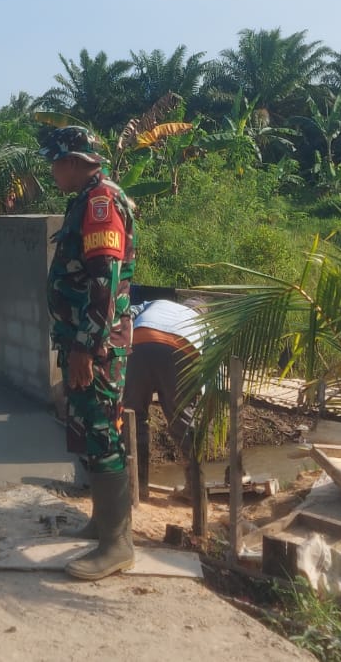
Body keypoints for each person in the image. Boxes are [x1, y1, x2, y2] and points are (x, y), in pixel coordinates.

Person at [41, 125, 138, 581]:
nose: (52, 170)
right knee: (90, 428)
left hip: (96, 345)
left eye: (55, 162)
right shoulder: (85, 200)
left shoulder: (100, 204)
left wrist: (85, 346)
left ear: (75, 161)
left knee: (102, 433)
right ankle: (103, 522)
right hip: (84, 341)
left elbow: (105, 281)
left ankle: (117, 544)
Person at [123, 297, 209, 497]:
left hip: (140, 341)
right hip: (180, 349)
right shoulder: (204, 327)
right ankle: (195, 491)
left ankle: (138, 488)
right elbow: (208, 370)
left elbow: (130, 310)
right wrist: (195, 400)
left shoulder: (157, 303)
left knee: (134, 415)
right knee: (183, 420)